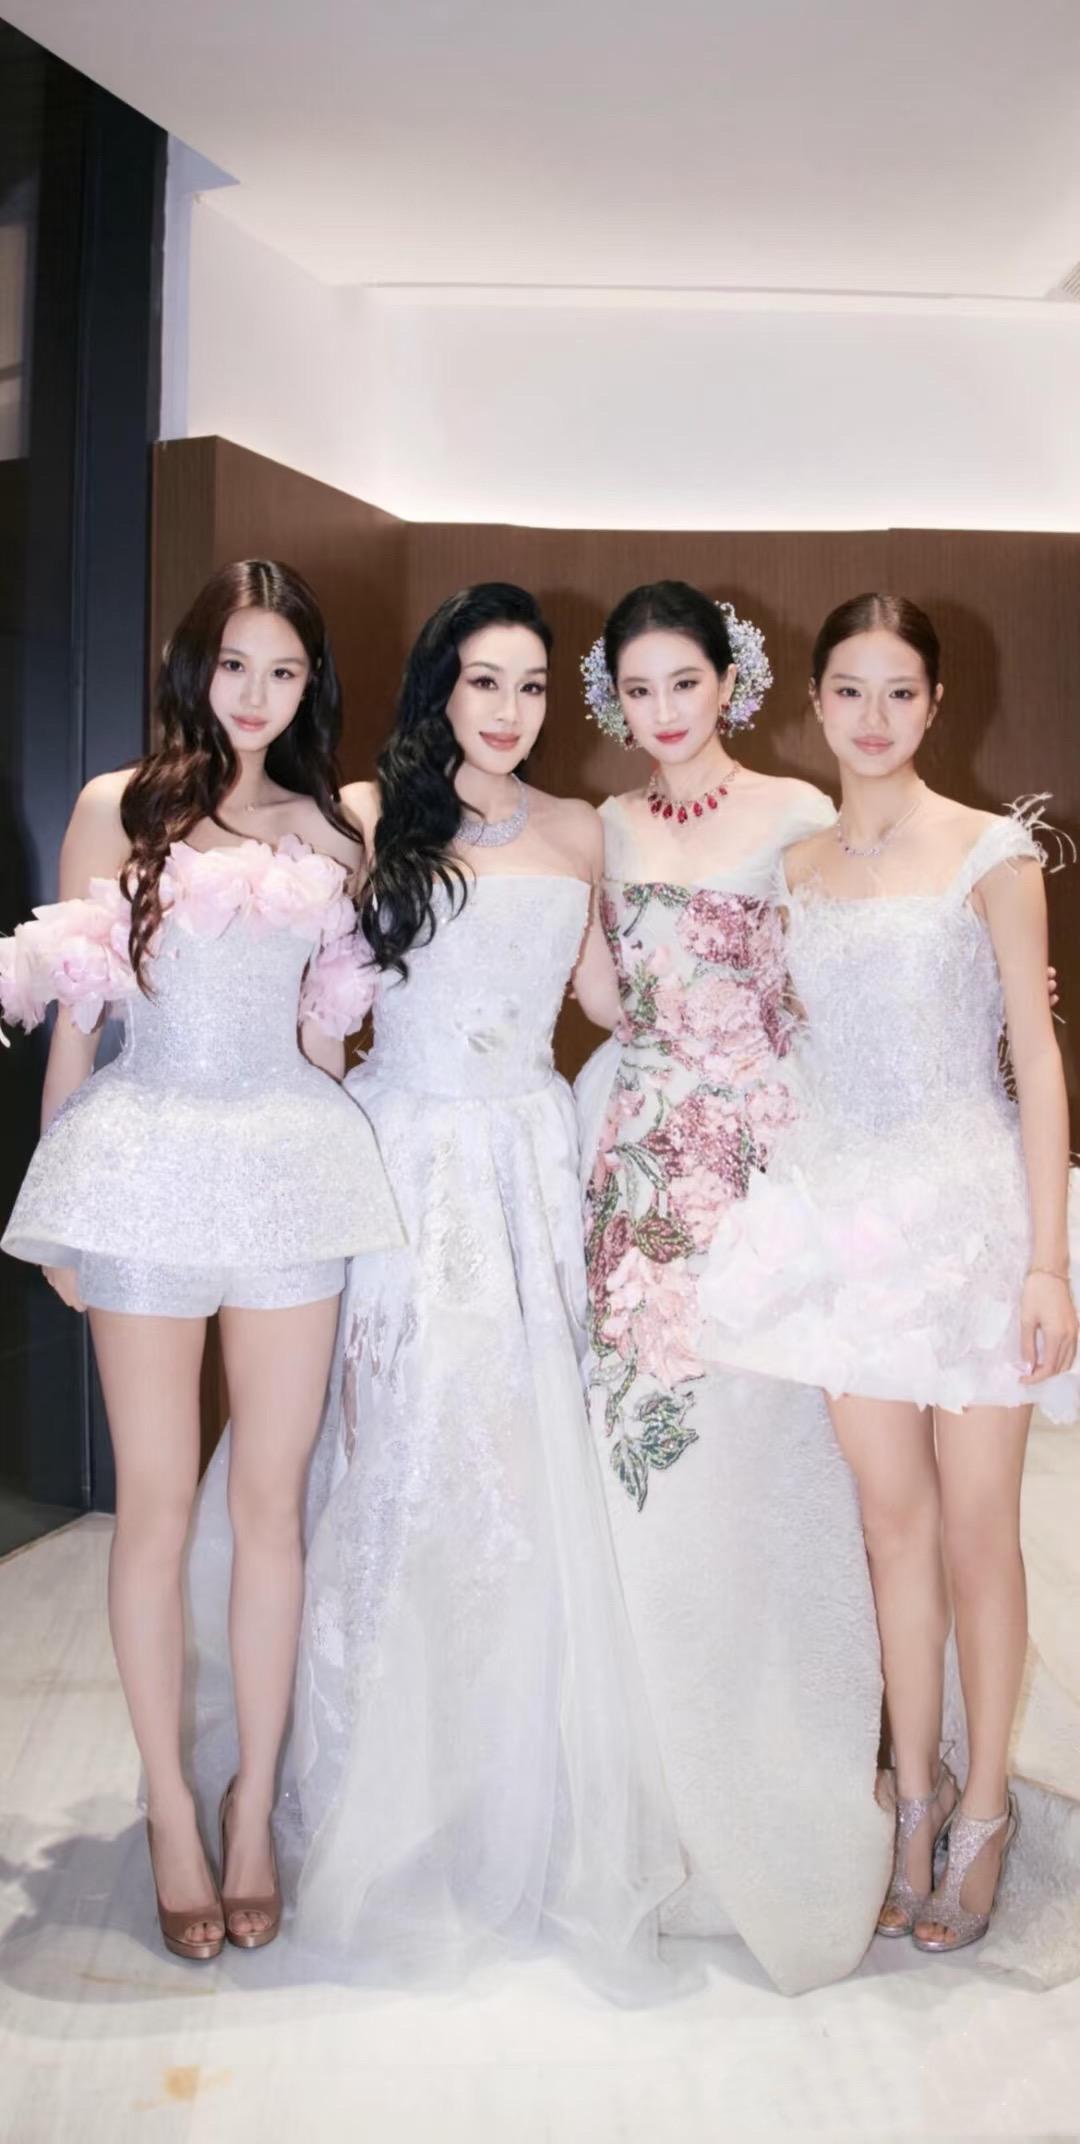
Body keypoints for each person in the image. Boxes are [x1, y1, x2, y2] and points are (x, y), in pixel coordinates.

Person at [189, 582, 683, 1986]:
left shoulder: (583, 830)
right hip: (399, 1164)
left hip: (530, 1166)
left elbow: (612, 1001)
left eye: (532, 686)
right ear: (439, 689)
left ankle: (501, 1782)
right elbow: (309, 1009)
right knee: (392, 1453)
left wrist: (749, 1001)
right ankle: (350, 1782)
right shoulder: (361, 814)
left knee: (521, 1467)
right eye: (483, 682)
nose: (508, 711)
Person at [0, 560, 401, 1961]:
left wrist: (345, 1163)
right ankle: (171, 1808)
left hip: (289, 1166)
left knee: (275, 1507)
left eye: (285, 671)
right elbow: (76, 1020)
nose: (257, 694)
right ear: (194, 665)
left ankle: (250, 1812)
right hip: (144, 1165)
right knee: (158, 1508)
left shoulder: (336, 828)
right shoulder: (117, 806)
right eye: (236, 664)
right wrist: (58, 1204)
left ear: (311, 686)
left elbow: (325, 1035)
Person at [697, 591, 1079, 1957]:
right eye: (849, 691)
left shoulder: (994, 853)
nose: (873, 717)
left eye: (899, 692)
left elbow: (1037, 1060)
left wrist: (1048, 1263)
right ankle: (911, 1800)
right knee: (891, 1531)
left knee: (979, 1532)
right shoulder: (793, 870)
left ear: (935, 704)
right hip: (845, 1230)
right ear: (813, 703)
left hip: (974, 1227)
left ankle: (984, 1811)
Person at [574, 580, 891, 1995]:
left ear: (731, 681)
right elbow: (603, 997)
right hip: (639, 1168)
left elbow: (840, 984)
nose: (662, 714)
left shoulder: (796, 812)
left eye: (683, 685)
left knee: (766, 1469)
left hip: (763, 1165)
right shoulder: (606, 826)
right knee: (647, 1478)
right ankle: (655, 1795)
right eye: (636, 691)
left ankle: (783, 1777)